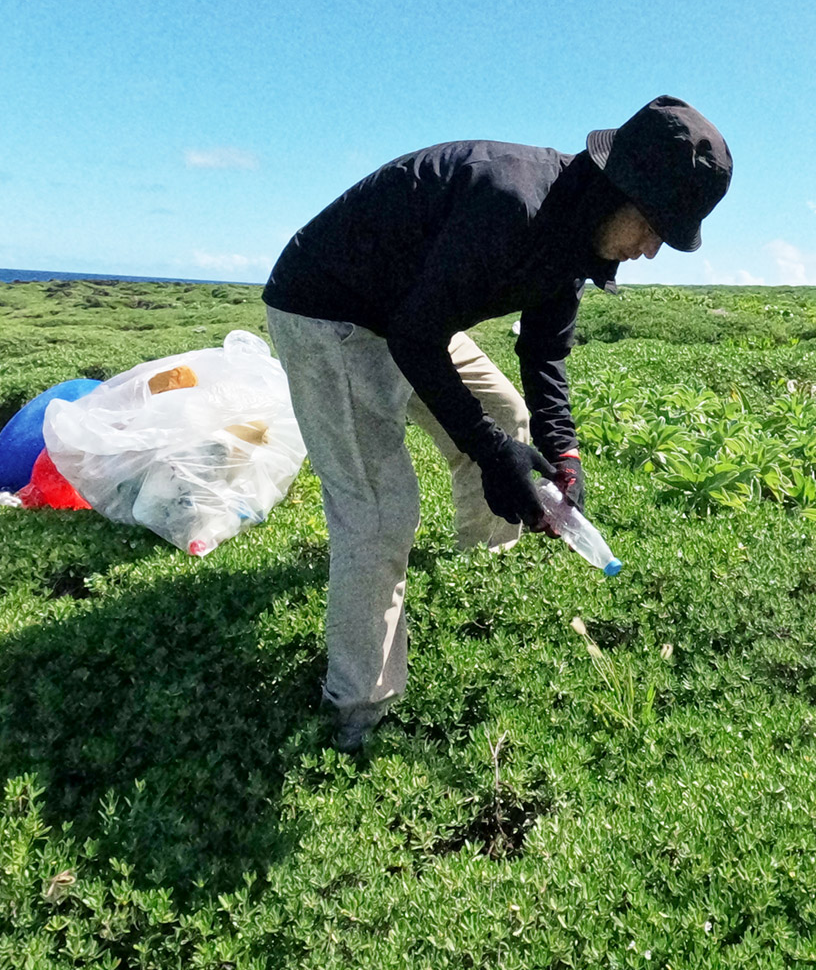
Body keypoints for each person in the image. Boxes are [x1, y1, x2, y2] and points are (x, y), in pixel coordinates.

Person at [261, 95, 732, 750]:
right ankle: (359, 715)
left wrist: (561, 453)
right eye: (655, 227)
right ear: (616, 191)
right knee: (378, 512)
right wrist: (488, 451)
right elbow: (417, 339)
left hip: (411, 307)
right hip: (330, 307)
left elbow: (543, 352)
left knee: (509, 416)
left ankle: (478, 579)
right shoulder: (510, 203)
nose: (652, 250)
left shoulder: (579, 234)